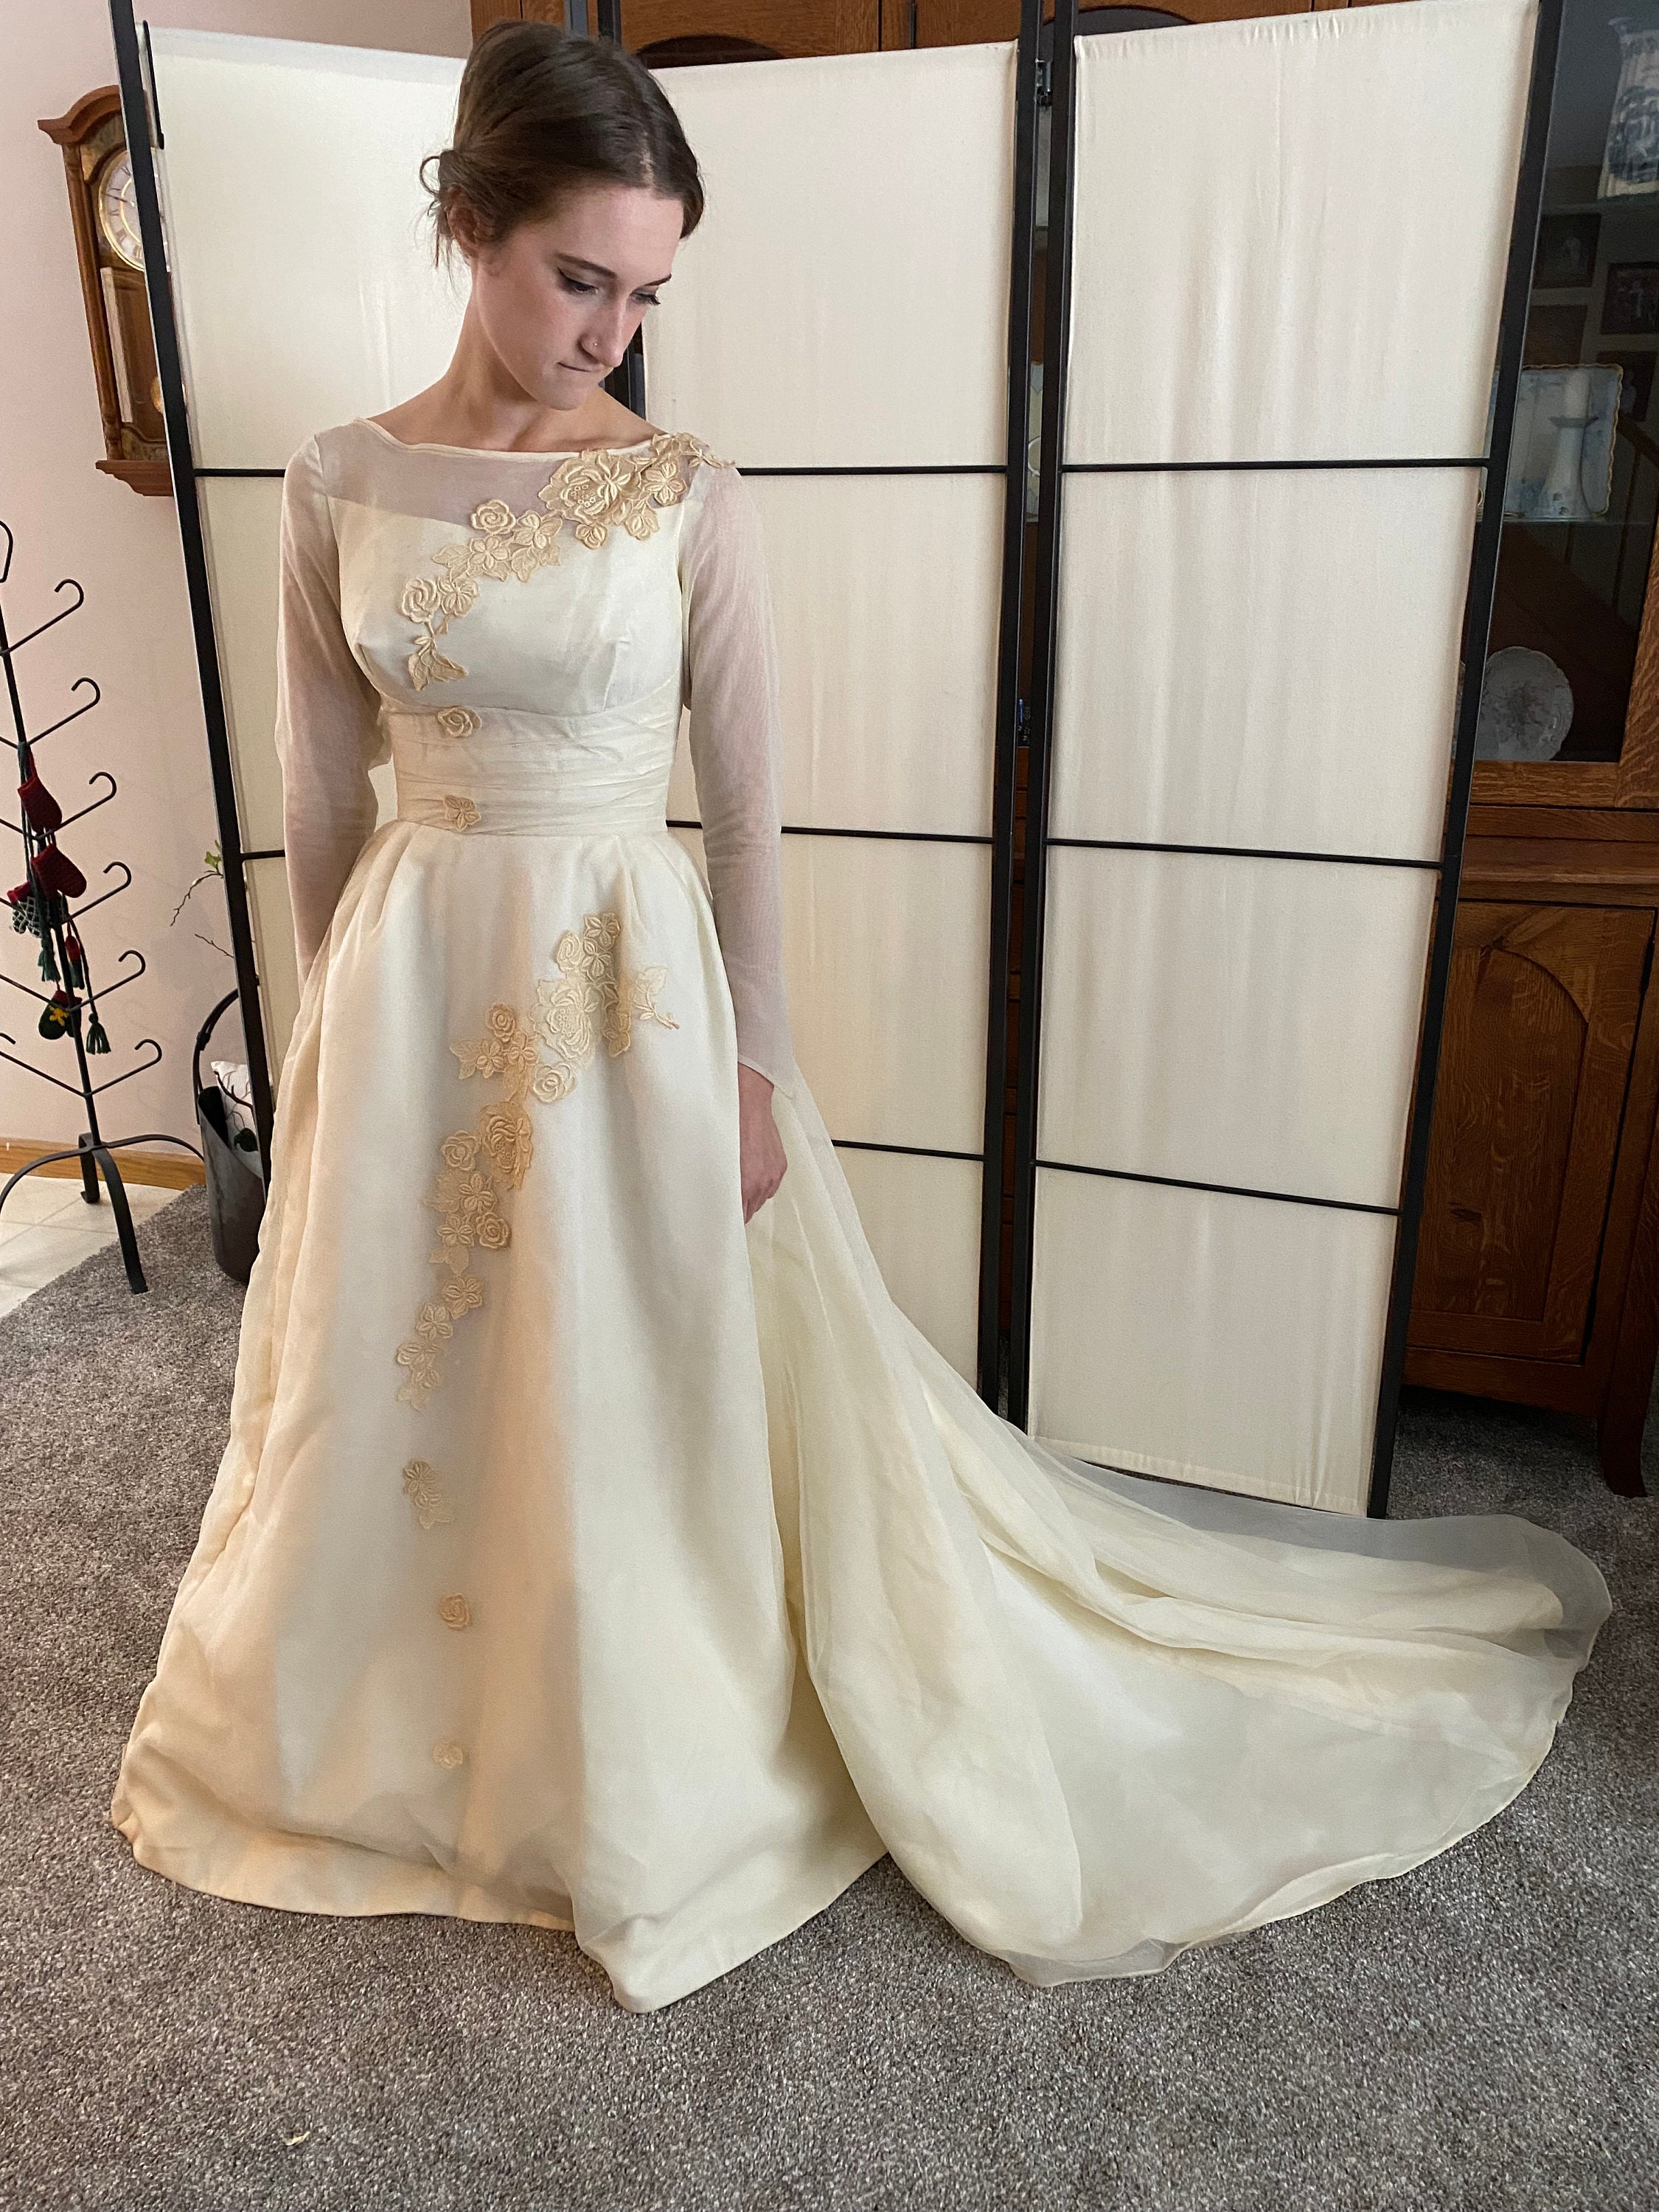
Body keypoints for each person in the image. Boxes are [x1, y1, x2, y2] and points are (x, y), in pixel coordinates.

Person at [111, 21, 1611, 2015]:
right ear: (467, 221)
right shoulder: (336, 479)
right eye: (581, 278)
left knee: (619, 1355)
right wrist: (320, 1050)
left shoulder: (678, 490)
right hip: (406, 966)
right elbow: (316, 790)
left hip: (618, 979)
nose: (611, 334)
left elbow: (746, 810)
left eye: (649, 294)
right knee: (403, 1344)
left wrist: (758, 1070)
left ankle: (631, 1736)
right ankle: (396, 1714)